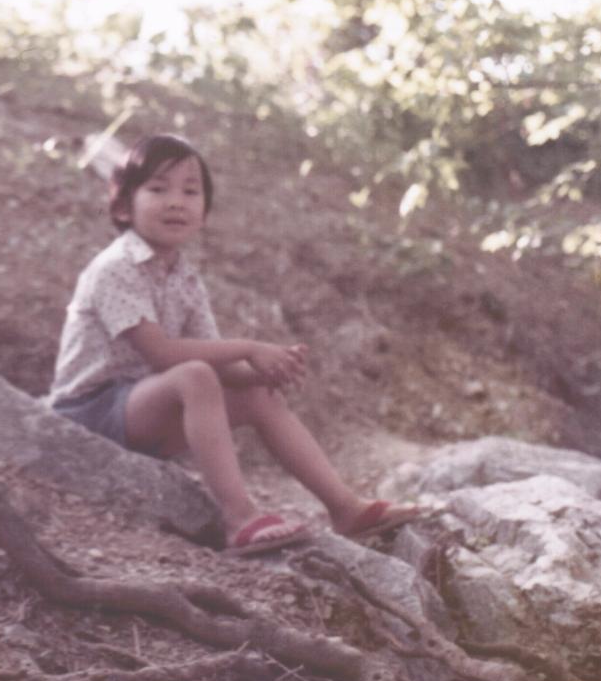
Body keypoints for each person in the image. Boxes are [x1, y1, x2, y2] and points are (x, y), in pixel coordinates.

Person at [47, 133, 421, 555]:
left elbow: (218, 365)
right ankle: (239, 517)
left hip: (141, 409)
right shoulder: (115, 267)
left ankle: (345, 509)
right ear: (122, 206)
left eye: (191, 191)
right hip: (87, 413)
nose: (176, 202)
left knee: (257, 392)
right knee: (192, 375)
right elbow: (163, 354)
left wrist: (263, 370)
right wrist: (248, 348)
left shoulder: (184, 278)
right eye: (158, 189)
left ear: (205, 213)